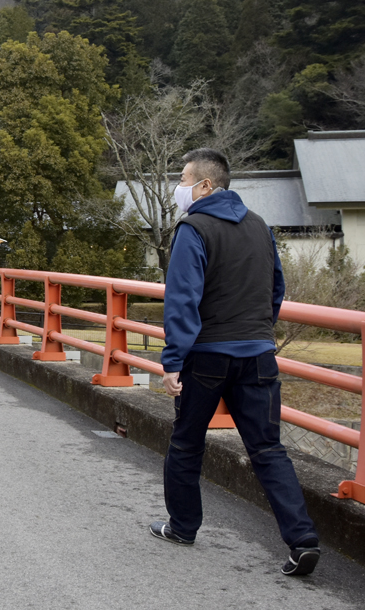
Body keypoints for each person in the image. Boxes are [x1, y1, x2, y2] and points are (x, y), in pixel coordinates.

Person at [149, 148, 321, 576]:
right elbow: (276, 288)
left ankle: (183, 527)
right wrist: (260, 331)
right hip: (258, 355)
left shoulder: (193, 228)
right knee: (267, 448)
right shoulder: (259, 226)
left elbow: (182, 299)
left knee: (187, 444)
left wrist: (173, 361)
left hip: (207, 356)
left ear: (206, 185)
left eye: (185, 178)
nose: (180, 188)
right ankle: (302, 540)